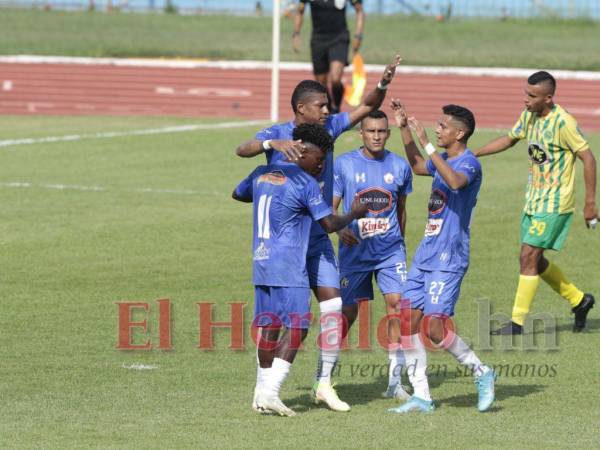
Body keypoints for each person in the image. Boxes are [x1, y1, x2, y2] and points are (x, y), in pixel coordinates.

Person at [235, 55, 401, 412]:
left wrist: (383, 84)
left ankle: (324, 382)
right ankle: (264, 389)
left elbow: (368, 105)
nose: (327, 110)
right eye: (321, 105)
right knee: (280, 321)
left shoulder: (328, 130)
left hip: (319, 237)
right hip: (285, 243)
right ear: (301, 109)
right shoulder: (278, 133)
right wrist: (271, 146)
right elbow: (241, 149)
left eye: (327, 105)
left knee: (333, 305)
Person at [233, 123, 367, 416]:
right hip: (289, 264)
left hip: (262, 261)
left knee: (269, 326)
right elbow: (329, 224)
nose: (321, 167)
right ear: (301, 151)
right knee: (298, 327)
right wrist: (354, 212)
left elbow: (238, 193)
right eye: (318, 160)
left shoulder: (260, 174)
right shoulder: (305, 183)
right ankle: (270, 392)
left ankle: (259, 393)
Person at [387, 101, 496, 414]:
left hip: (449, 257)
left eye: (443, 126)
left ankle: (482, 372)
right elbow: (419, 166)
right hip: (426, 253)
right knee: (407, 321)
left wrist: (426, 141)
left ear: (459, 133)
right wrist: (404, 128)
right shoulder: (445, 158)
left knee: (435, 330)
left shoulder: (469, 164)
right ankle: (422, 396)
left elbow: (455, 182)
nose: (437, 129)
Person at [475, 71, 597, 335]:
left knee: (528, 255)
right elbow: (509, 139)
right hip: (533, 201)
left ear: (548, 97)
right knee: (535, 261)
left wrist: (590, 204)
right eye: (525, 94)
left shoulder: (563, 122)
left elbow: (588, 158)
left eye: (532, 96)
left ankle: (517, 324)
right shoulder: (529, 116)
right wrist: (474, 154)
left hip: (555, 203)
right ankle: (579, 300)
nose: (525, 100)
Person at [332, 110, 413, 400]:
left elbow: (401, 208)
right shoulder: (343, 165)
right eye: (371, 131)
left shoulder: (400, 166)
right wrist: (340, 231)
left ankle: (395, 382)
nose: (376, 136)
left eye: (381, 131)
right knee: (347, 313)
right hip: (355, 251)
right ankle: (324, 375)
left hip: (390, 251)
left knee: (397, 305)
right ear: (361, 134)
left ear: (388, 133)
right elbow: (330, 208)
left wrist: (400, 243)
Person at [293, 0, 365, 113]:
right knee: (321, 85)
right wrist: (296, 33)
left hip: (339, 38)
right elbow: (300, 11)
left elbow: (359, 10)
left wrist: (358, 35)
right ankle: (330, 109)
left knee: (336, 78)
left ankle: (336, 107)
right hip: (318, 39)